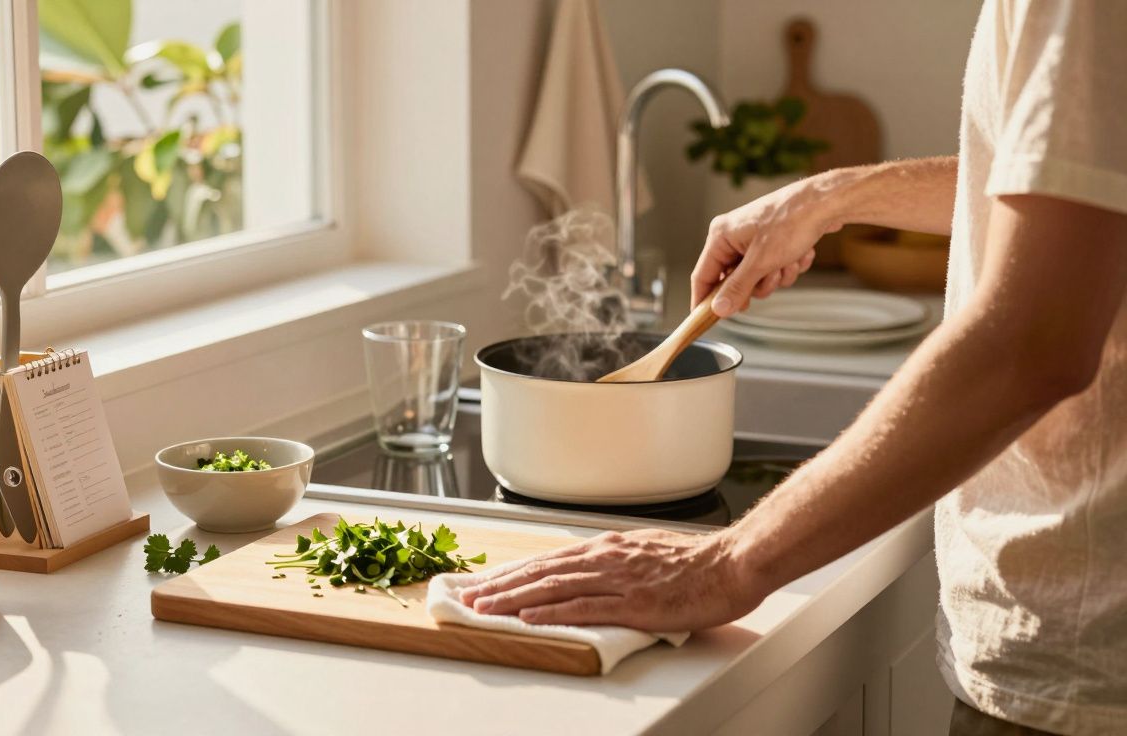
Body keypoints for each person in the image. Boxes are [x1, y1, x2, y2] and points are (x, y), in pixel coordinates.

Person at [458, 1, 1127, 733]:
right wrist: (834, 196)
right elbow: (1080, 186)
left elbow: (1030, 343)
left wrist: (725, 564)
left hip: (1086, 667)